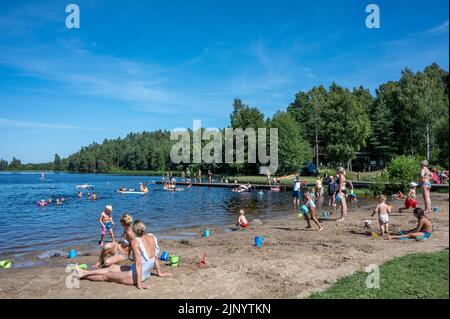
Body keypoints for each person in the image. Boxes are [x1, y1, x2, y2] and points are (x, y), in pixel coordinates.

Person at [76, 220, 171, 289]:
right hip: (145, 272)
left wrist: (139, 284)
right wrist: (160, 273)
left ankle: (83, 274)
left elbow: (138, 264)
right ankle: (84, 272)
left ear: (133, 230)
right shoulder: (152, 237)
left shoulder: (136, 242)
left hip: (136, 276)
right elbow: (155, 258)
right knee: (112, 268)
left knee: (107, 276)